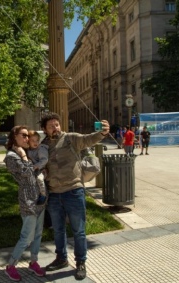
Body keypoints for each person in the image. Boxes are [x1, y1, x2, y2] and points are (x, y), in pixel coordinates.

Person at [40, 112, 110, 280]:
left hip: (73, 191)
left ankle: (80, 262)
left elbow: (88, 139)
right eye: (51, 126)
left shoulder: (71, 138)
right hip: (54, 194)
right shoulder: (43, 145)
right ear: (44, 129)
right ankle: (61, 258)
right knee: (58, 230)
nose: (55, 127)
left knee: (78, 231)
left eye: (57, 124)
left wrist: (102, 133)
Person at [3, 125, 46, 281]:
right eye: (24, 135)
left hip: (39, 198)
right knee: (27, 236)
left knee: (38, 234)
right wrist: (24, 157)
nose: (27, 138)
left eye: (28, 135)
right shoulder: (11, 157)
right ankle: (11, 265)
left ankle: (33, 262)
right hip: (28, 200)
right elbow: (28, 174)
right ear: (14, 136)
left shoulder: (28, 153)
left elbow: (38, 170)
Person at [27, 130, 48, 204]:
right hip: (33, 169)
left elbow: (45, 159)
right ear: (28, 141)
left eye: (37, 140)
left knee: (40, 179)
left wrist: (36, 166)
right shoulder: (28, 150)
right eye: (32, 140)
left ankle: (43, 195)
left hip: (41, 169)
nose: (35, 143)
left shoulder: (41, 149)